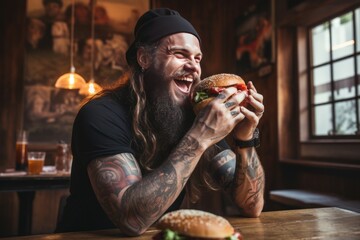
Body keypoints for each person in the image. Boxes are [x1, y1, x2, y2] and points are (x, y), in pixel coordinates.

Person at [56, 8, 265, 236]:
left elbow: (252, 206)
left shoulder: (194, 115)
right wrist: (200, 137)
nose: (194, 67)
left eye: (197, 58)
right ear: (144, 58)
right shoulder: (100, 114)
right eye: (179, 54)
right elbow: (130, 220)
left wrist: (245, 138)